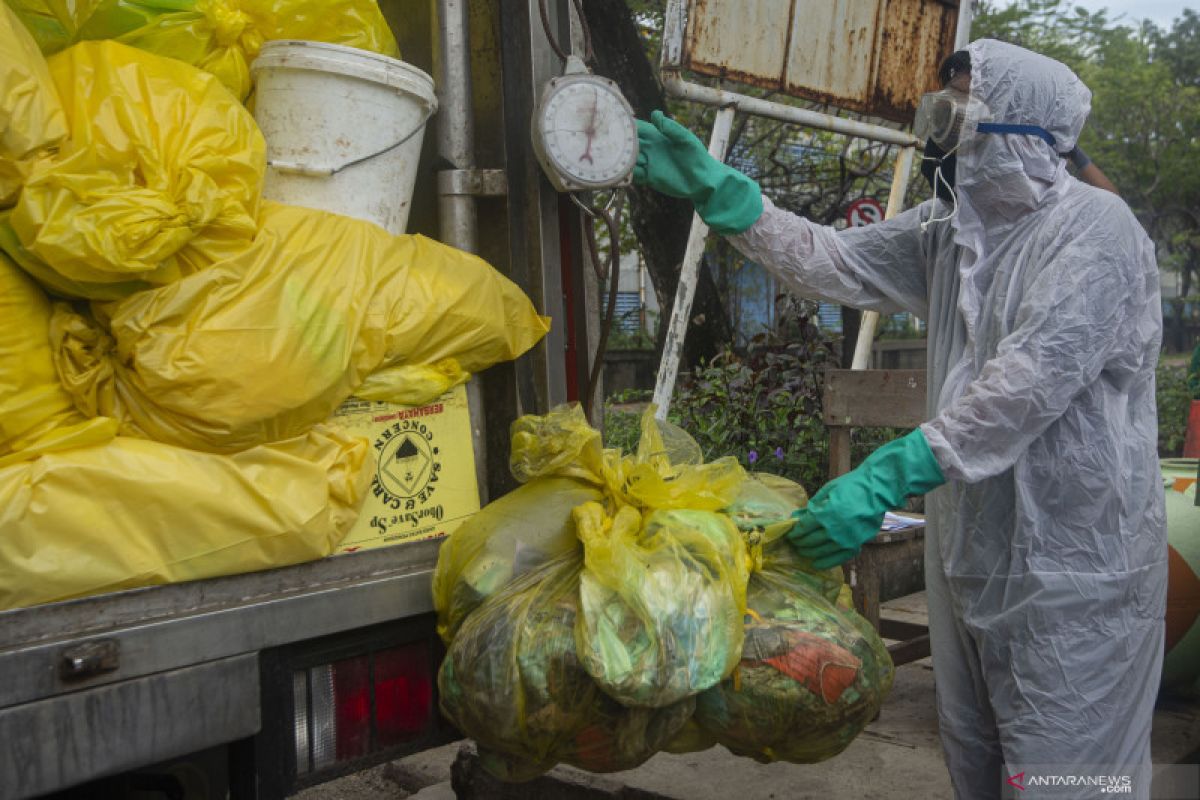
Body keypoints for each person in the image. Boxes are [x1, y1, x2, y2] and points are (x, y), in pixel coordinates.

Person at [634, 39, 1166, 799]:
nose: (937, 132)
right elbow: (835, 260)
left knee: (1068, 780)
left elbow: (1028, 382)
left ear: (1023, 125)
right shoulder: (949, 232)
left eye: (956, 111)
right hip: (974, 558)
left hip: (1077, 570)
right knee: (979, 764)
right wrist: (724, 193)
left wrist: (888, 473)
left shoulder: (1097, 231)